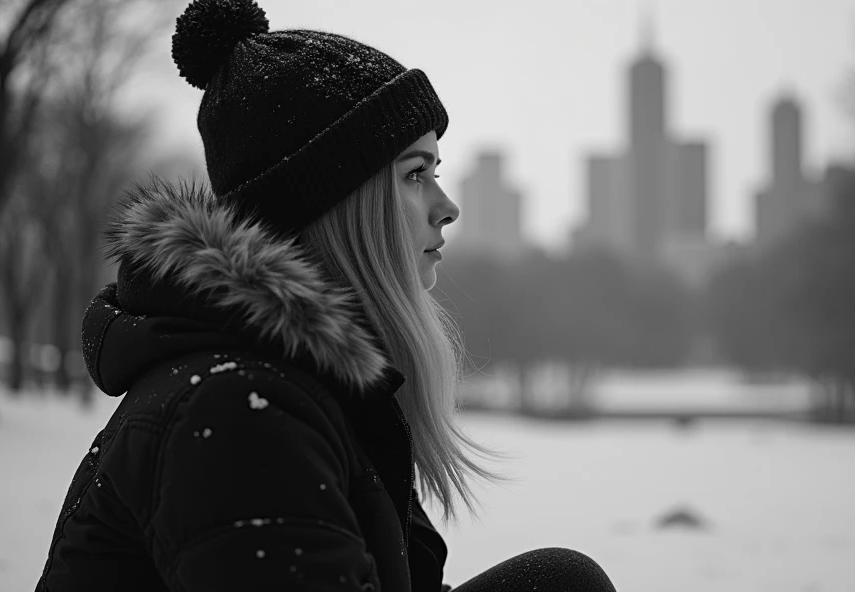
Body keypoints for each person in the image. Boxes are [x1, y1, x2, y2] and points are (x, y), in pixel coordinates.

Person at [35, 1, 618, 591]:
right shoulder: (238, 409)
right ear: (338, 203)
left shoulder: (298, 383)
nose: (447, 207)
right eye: (415, 174)